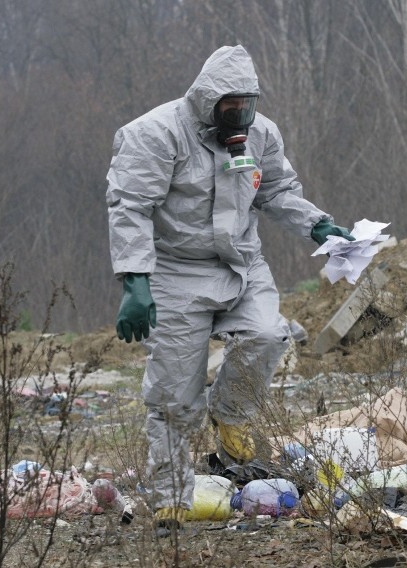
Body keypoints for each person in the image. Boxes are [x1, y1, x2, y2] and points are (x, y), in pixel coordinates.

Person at [105, 45, 353, 536]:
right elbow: (129, 206)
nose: (239, 115)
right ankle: (171, 502)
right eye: (229, 106)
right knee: (175, 395)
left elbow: (277, 190)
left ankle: (231, 414)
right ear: (206, 100)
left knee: (269, 334)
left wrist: (318, 225)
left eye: (246, 105)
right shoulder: (155, 134)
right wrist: (135, 281)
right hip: (177, 270)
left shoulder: (261, 134)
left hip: (241, 262)